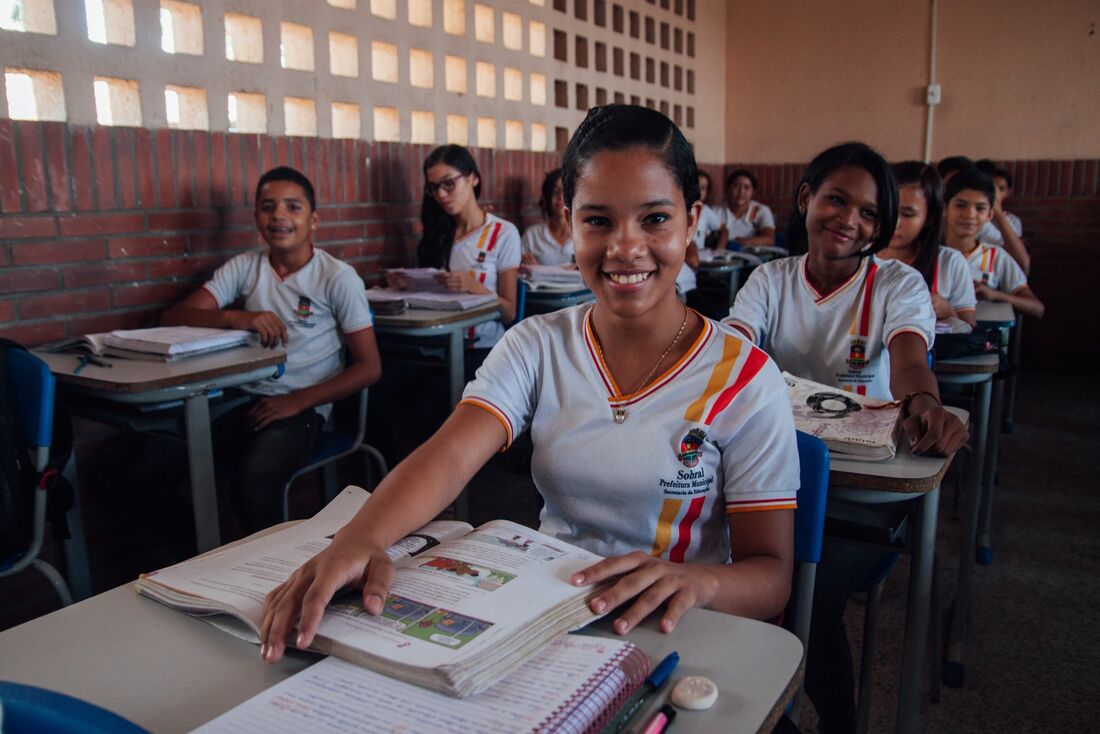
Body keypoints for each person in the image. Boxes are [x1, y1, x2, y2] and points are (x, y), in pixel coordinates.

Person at [259, 105, 800, 664]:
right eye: (598, 220)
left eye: (654, 219)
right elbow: (449, 456)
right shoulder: (536, 344)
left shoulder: (744, 377)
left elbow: (771, 576)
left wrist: (698, 582)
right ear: (570, 224)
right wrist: (363, 538)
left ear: (692, 220)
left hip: (676, 630)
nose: (625, 246)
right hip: (548, 614)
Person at [726, 142, 968, 734]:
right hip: (773, 477)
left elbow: (909, 359)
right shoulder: (770, 278)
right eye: (836, 199)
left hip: (859, 490)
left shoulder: (896, 283)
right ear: (807, 199)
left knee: (811, 595)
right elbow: (733, 348)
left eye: (868, 212)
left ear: (882, 225)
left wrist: (926, 400)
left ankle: (838, 723)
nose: (849, 220)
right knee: (735, 582)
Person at [162, 166, 382, 533]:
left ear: (314, 220)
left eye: (293, 207)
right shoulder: (246, 267)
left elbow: (369, 367)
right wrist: (235, 317)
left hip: (303, 408)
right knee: (142, 469)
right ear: (257, 219)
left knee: (253, 484)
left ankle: (275, 579)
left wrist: (297, 401)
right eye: (268, 207)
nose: (279, 215)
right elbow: (174, 316)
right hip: (238, 401)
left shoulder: (336, 277)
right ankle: (202, 559)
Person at [386, 144, 521, 366]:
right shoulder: (437, 232)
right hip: (436, 345)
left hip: (483, 349)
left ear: (473, 178)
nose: (441, 194)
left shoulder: (502, 233)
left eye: (449, 183)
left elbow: (509, 312)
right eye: (434, 187)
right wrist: (407, 284)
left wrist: (476, 287)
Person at [879, 161, 977, 327]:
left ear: (929, 217)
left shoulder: (950, 262)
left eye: (908, 214)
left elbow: (969, 327)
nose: (894, 223)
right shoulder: (859, 257)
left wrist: (948, 311)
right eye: (888, 209)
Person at [942, 168, 1045, 319]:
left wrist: (996, 295)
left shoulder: (996, 256)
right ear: (945, 208)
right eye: (961, 205)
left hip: (984, 340)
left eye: (980, 208)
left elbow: (1037, 308)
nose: (970, 214)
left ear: (990, 215)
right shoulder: (931, 254)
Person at [974, 161, 1030, 273]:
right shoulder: (976, 220)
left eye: (1000, 189)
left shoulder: (1011, 220)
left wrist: (997, 211)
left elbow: (1022, 264)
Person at [521, 168, 574, 266]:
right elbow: (522, 276)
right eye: (555, 191)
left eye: (565, 191)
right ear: (546, 197)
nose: (561, 196)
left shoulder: (586, 234)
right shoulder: (532, 236)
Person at [715, 169, 776, 249]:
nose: (741, 191)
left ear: (753, 191)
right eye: (736, 186)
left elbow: (769, 239)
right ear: (728, 188)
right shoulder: (716, 211)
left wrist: (741, 242)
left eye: (746, 187)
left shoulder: (761, 210)